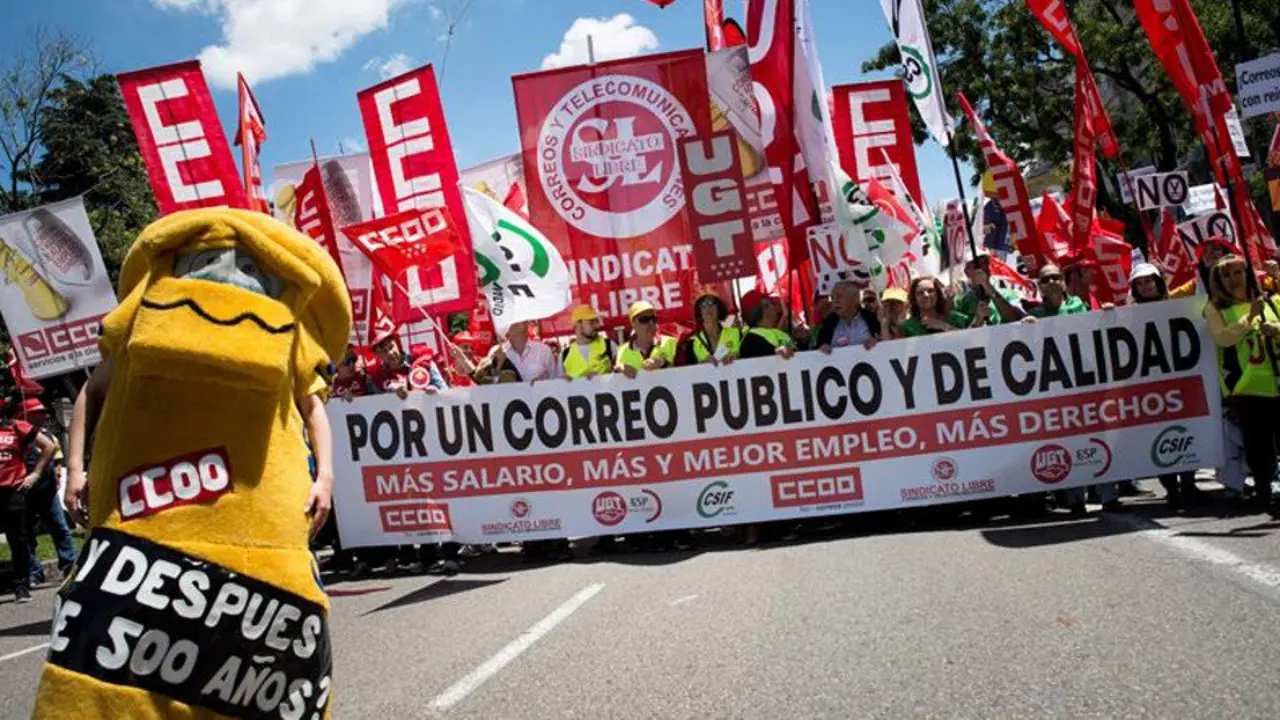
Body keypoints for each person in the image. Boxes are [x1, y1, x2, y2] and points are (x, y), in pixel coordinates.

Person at [43, 208, 348, 718]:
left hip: (254, 544)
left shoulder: (287, 328)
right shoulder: (143, 318)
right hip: (140, 531)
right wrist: (76, 468)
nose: (226, 278)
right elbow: (92, 391)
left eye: (250, 269)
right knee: (105, 683)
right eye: (205, 262)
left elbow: (312, 408)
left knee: (264, 680)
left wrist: (326, 476)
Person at [1128, 263, 1209, 508]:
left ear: (1159, 282)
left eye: (1149, 281)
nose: (1146, 287)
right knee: (1158, 435)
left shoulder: (1177, 304)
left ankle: (1189, 483)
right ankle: (1171, 488)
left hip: (1182, 382)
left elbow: (1201, 286)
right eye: (1140, 284)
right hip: (1150, 387)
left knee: (1187, 431)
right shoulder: (1128, 314)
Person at [1206, 254, 1280, 514]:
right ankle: (1264, 490)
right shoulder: (1216, 309)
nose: (1233, 279)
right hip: (1247, 386)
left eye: (1238, 272)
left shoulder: (1270, 299)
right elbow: (1223, 338)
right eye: (1226, 275)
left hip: (1277, 379)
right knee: (1258, 444)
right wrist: (1250, 318)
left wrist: (1275, 328)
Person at [0, 399, 55, 603]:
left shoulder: (15, 426)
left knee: (18, 541)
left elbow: (49, 446)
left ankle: (21, 587)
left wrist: (35, 474)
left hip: (13, 491)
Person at [18, 398, 75, 586]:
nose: (45, 415)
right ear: (27, 414)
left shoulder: (49, 435)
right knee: (25, 534)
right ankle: (34, 572)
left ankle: (69, 566)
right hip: (23, 492)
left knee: (60, 528)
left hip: (47, 491)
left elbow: (57, 455)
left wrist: (57, 469)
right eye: (39, 412)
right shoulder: (17, 434)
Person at [955, 255, 1025, 325]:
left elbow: (1015, 319)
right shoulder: (961, 301)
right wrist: (977, 320)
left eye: (985, 263)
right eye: (977, 264)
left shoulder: (1009, 294)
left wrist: (988, 287)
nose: (982, 268)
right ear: (967, 272)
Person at [898, 276, 978, 336]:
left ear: (938, 294)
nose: (926, 295)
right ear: (914, 299)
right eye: (920, 293)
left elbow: (972, 338)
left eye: (930, 291)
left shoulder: (956, 319)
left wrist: (944, 326)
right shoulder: (906, 328)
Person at [679, 290, 741, 366]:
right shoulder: (692, 342)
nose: (708, 307)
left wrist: (738, 356)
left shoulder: (738, 333)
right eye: (703, 304)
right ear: (699, 311)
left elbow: (751, 356)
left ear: (719, 308)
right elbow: (688, 372)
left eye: (712, 303)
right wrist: (700, 365)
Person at [616, 301, 679, 376]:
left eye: (654, 319)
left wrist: (662, 362)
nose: (651, 323)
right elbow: (615, 374)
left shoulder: (671, 342)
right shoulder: (621, 351)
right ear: (633, 323)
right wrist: (620, 369)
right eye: (644, 319)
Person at [816, 280, 880, 352]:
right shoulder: (828, 324)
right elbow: (818, 349)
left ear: (855, 298)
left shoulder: (872, 319)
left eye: (839, 296)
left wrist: (877, 343)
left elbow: (883, 341)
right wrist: (822, 348)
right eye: (833, 297)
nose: (835, 301)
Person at [562, 304, 616, 379]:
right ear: (578, 324)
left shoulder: (609, 345)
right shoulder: (565, 354)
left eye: (597, 321)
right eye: (591, 322)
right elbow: (558, 384)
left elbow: (623, 370)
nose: (598, 326)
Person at [739, 290, 797, 360]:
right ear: (765, 308)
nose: (776, 308)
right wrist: (775, 352)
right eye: (773, 303)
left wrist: (803, 341)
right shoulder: (750, 341)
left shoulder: (777, 332)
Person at [1024, 264, 1090, 320]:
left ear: (1063, 280)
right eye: (1045, 280)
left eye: (1055, 277)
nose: (1051, 281)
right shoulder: (1034, 315)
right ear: (1040, 286)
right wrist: (1027, 327)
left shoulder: (1080, 303)